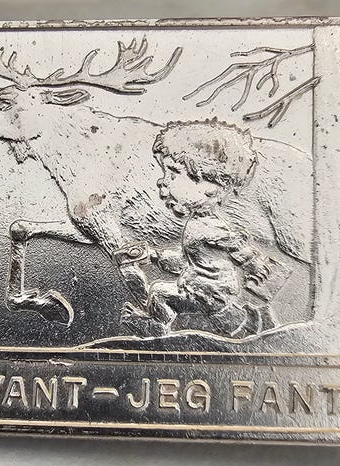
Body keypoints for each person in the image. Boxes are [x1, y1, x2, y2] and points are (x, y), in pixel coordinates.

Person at [117, 119, 276, 338]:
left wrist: (253, 264)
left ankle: (157, 329)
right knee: (226, 321)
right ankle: (253, 325)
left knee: (160, 293)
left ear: (210, 183)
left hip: (209, 292)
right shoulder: (198, 223)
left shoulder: (208, 227)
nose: (163, 182)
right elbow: (186, 260)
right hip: (204, 288)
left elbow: (236, 245)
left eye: (173, 173)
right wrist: (155, 256)